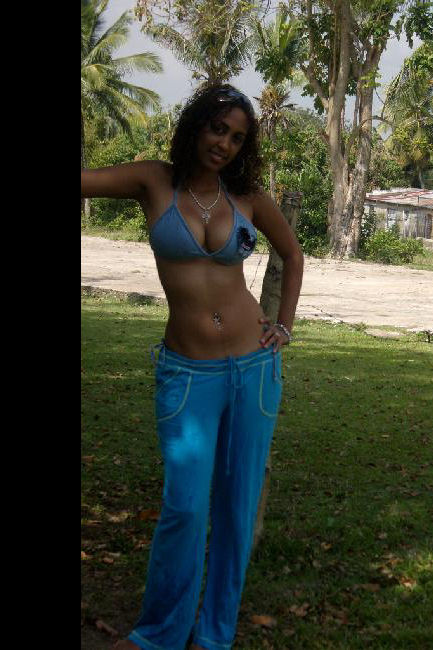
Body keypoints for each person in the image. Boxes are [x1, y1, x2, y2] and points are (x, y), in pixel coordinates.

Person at [81, 84, 304, 650]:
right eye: (217, 128)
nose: (224, 144)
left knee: (235, 510)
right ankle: (159, 633)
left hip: (253, 371)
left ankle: (214, 635)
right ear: (195, 126)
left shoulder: (246, 195)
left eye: (237, 137)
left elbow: (292, 253)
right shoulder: (154, 181)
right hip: (187, 377)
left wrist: (284, 325)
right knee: (183, 507)